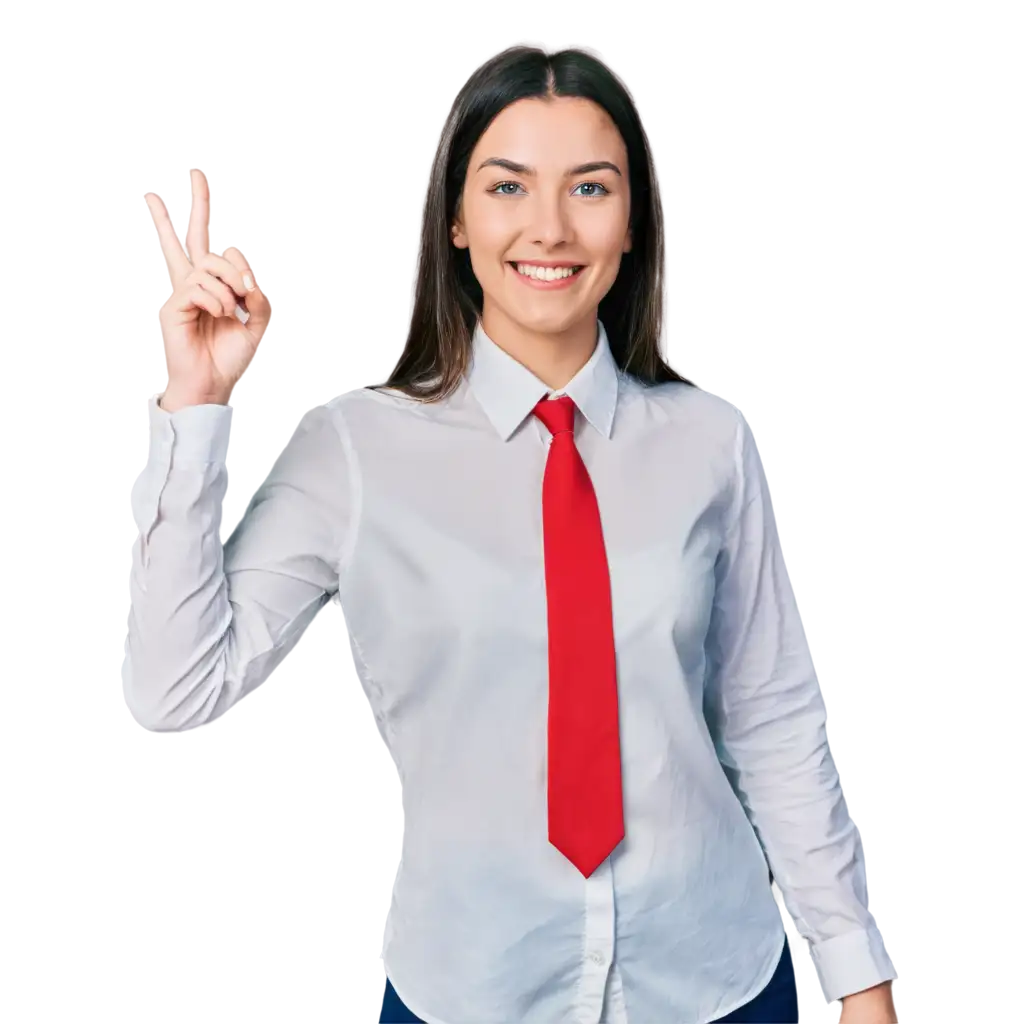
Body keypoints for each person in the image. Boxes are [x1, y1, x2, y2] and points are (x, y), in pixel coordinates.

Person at [123, 47, 903, 1024]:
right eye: (507, 185)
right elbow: (173, 688)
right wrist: (195, 405)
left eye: (591, 187)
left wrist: (855, 970)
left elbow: (772, 715)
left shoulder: (710, 444)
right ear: (455, 219)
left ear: (630, 225)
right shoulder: (354, 450)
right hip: (472, 989)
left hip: (717, 980)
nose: (550, 227)